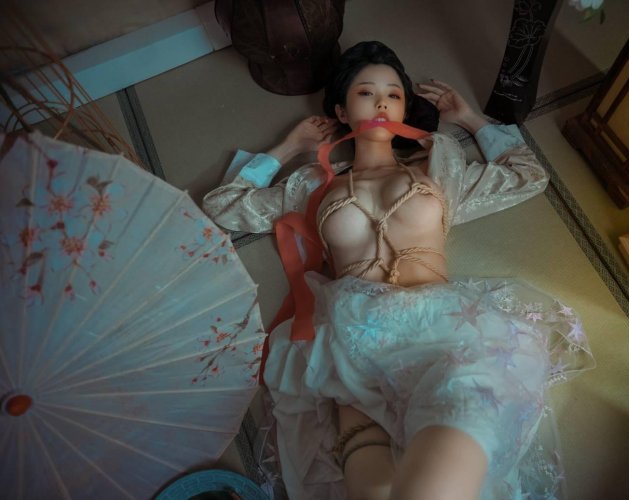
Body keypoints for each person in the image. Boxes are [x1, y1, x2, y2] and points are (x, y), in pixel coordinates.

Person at [203, 41, 594, 500]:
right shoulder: (313, 184)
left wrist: (470, 119)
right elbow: (224, 204)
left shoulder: (440, 172)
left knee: (452, 438)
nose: (382, 103)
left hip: (442, 323)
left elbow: (529, 174)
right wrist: (293, 145)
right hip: (356, 333)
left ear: (405, 109)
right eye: (366, 93)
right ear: (341, 111)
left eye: (394, 94)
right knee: (371, 480)